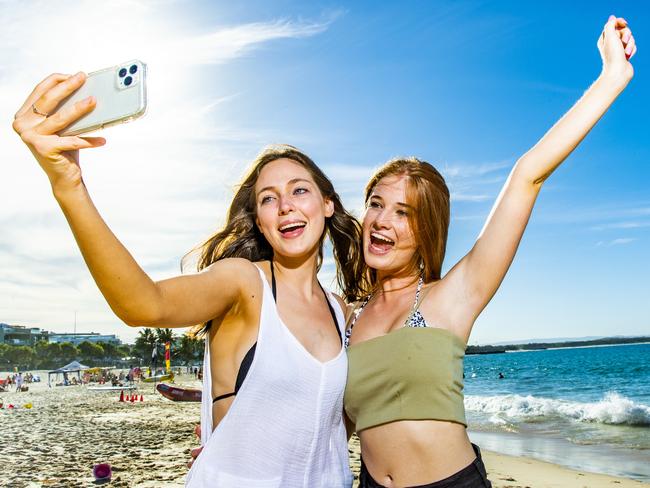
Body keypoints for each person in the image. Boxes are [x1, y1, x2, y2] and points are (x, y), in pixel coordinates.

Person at [13, 68, 366, 484]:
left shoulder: (339, 311)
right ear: (260, 219)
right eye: (269, 198)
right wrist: (68, 184)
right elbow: (143, 303)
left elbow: (335, 425)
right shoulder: (243, 284)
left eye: (299, 190)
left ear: (327, 204)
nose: (285, 205)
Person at [343, 15, 636, 488]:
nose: (382, 220)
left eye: (404, 213)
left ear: (427, 232)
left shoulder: (453, 295)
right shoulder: (347, 318)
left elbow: (527, 176)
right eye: (376, 204)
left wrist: (611, 78)